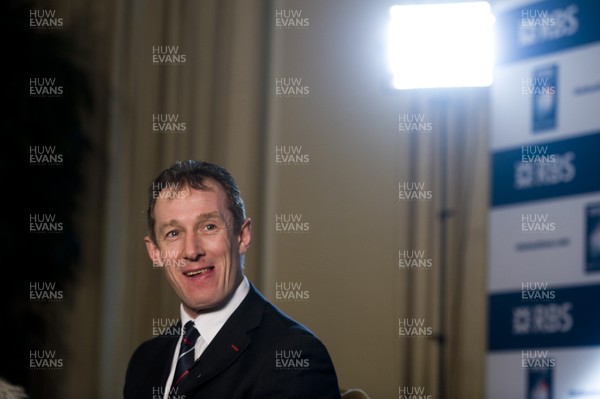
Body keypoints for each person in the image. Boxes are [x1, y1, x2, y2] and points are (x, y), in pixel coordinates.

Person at [123, 160, 341, 399]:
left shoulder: (294, 355)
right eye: (173, 233)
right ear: (155, 252)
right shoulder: (144, 360)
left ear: (242, 236)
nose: (192, 251)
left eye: (208, 226)